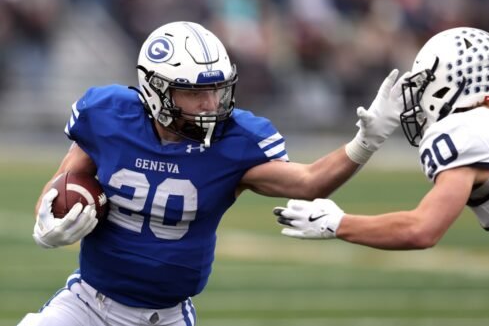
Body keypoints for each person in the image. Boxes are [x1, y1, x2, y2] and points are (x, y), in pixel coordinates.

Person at [18, 21, 407, 326]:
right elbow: (60, 186)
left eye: (217, 89)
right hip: (88, 304)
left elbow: (309, 182)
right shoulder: (107, 116)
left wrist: (364, 143)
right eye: (195, 92)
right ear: (155, 89)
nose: (211, 103)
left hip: (166, 317)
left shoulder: (235, 141)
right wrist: (46, 225)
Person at [273, 26, 489, 326]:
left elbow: (421, 230)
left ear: (450, 82)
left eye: (426, 82)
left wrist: (338, 224)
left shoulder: (459, 134)